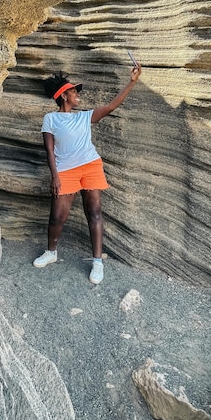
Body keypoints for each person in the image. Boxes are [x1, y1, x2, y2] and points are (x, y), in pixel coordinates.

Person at [33, 61, 142, 284]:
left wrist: (131, 82)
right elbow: (49, 150)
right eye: (74, 91)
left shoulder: (84, 116)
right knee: (57, 217)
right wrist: (55, 176)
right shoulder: (51, 119)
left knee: (94, 213)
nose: (78, 95)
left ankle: (97, 262)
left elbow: (111, 106)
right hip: (65, 171)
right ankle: (51, 253)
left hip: (91, 166)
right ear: (64, 95)